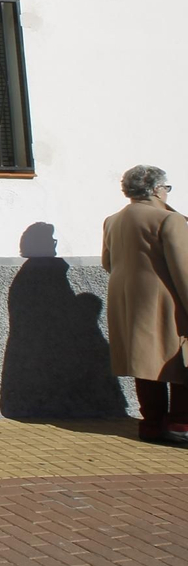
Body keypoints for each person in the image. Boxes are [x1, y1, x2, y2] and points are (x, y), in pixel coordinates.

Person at [102, 165, 188, 445]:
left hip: (127, 301)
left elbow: (107, 262)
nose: (166, 192)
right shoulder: (169, 220)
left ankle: (151, 424)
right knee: (180, 361)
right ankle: (180, 423)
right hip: (166, 300)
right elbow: (183, 269)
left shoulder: (113, 221)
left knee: (145, 362)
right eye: (166, 187)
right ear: (155, 189)